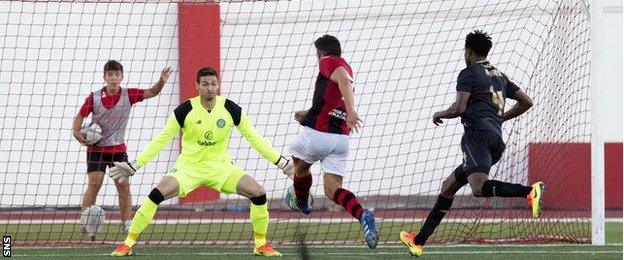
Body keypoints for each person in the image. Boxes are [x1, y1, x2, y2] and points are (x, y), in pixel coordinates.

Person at [109, 67, 293, 257]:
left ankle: (260, 244)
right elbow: (161, 139)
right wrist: (135, 165)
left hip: (222, 169)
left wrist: (282, 163)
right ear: (197, 85)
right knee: (156, 194)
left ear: (218, 85)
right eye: (205, 84)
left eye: (213, 84)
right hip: (187, 169)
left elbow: (255, 138)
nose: (209, 88)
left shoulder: (231, 109)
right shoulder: (184, 110)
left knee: (259, 193)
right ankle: (127, 243)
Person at [399, 30, 545, 256]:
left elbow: (459, 108)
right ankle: (418, 241)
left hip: (476, 136)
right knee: (449, 186)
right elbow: (527, 102)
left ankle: (529, 191)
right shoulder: (499, 75)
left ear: (468, 51)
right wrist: (500, 118)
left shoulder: (468, 73)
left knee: (478, 188)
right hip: (495, 140)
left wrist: (440, 113)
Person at [286, 34, 379, 249]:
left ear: (320, 53)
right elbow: (333, 97)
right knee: (333, 190)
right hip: (340, 139)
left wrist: (351, 111)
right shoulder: (346, 66)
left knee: (299, 165)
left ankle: (301, 202)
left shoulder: (328, 61)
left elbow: (343, 82)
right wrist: (310, 111)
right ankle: (363, 214)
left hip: (319, 134)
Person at [72, 60, 171, 235]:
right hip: (96, 149)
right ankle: (85, 222)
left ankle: (127, 223)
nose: (113, 78)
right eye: (110, 74)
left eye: (116, 74)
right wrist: (76, 132)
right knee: (95, 183)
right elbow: (80, 115)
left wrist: (161, 81)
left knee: (123, 185)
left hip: (118, 149)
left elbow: (152, 92)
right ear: (105, 77)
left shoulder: (129, 95)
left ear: (121, 77)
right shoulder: (94, 97)